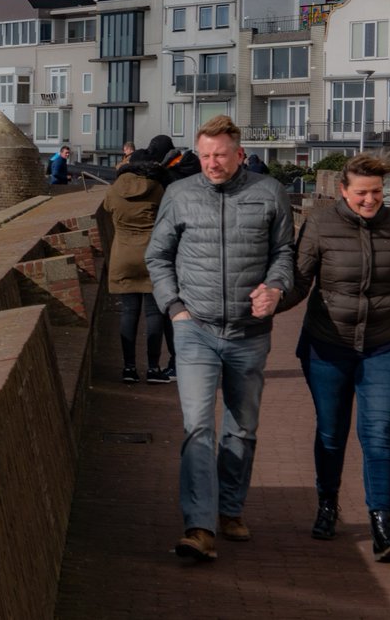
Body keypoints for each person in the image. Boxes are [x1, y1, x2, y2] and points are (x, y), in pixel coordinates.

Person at [145, 115, 294, 562]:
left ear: (239, 154)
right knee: (197, 427)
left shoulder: (269, 194)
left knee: (241, 429)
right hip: (196, 330)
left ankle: (230, 509)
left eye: (220, 155)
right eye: (205, 155)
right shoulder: (179, 194)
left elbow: (283, 252)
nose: (211, 163)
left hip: (250, 333)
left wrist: (276, 288)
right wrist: (176, 309)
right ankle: (199, 526)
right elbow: (158, 255)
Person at [277, 152, 390, 561]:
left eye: (378, 193)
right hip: (327, 345)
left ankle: (382, 525)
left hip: (385, 343)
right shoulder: (320, 224)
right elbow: (300, 282)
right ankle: (327, 504)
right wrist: (269, 302)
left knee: (379, 436)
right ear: (343, 191)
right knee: (332, 433)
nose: (371, 200)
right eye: (362, 193)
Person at [104, 148, 175, 383]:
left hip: (123, 255)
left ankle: (129, 368)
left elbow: (106, 209)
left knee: (128, 312)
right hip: (152, 256)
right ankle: (153, 369)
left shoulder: (115, 189)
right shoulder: (157, 188)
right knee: (154, 313)